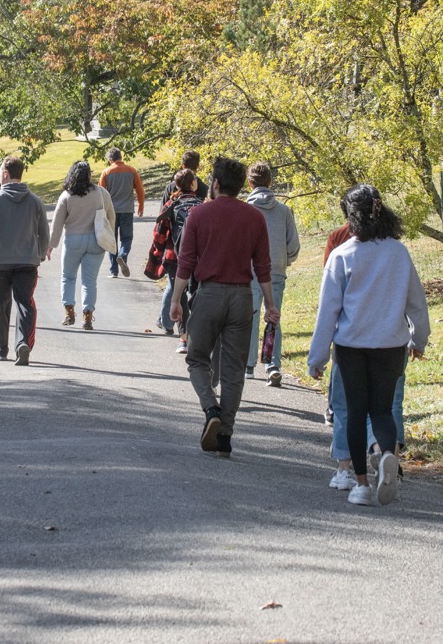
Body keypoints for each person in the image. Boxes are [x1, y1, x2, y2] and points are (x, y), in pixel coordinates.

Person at [307, 185, 429, 507]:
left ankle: (361, 485)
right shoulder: (399, 252)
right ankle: (387, 454)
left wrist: (317, 357)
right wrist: (419, 338)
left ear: (351, 217)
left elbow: (327, 312)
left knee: (357, 412)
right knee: (383, 409)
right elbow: (416, 301)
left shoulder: (342, 256)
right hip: (391, 344)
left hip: (352, 346)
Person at [169, 156, 279, 458]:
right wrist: (270, 303)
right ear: (241, 186)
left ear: (215, 184)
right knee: (233, 370)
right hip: (242, 297)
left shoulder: (199, 215)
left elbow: (186, 262)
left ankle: (211, 410)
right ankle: (226, 436)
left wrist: (176, 300)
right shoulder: (254, 217)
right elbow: (263, 266)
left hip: (209, 294)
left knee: (197, 359)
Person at [0, 157, 50, 366]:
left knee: (1, 306)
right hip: (27, 262)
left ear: (5, 173)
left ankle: (0, 349)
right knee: (25, 304)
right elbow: (43, 231)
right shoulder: (35, 201)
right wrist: (40, 253)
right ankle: (23, 343)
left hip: (0, 262)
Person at [245, 161, 300, 387]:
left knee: (250, 317)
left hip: (248, 271)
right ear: (270, 182)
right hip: (275, 269)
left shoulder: (245, 210)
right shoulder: (284, 211)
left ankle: (248, 365)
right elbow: (293, 246)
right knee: (273, 317)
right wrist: (284, 259)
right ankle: (272, 364)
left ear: (250, 184)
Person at [49, 161, 116, 331]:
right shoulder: (102, 193)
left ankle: (69, 311)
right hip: (96, 240)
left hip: (73, 239)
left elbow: (57, 223)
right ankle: (87, 315)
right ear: (89, 174)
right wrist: (111, 237)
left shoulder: (67, 196)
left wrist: (50, 245)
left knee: (68, 277)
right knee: (89, 281)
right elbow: (111, 216)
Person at [145, 169, 203, 351]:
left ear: (176, 185)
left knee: (180, 299)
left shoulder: (170, 204)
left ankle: (183, 338)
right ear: (193, 184)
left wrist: (156, 255)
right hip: (198, 258)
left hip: (174, 257)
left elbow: (159, 234)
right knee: (196, 294)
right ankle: (198, 336)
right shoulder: (201, 205)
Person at [98, 147, 144, 278]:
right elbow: (140, 190)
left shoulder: (106, 172)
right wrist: (140, 206)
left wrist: (101, 211)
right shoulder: (131, 170)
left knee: (112, 240)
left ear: (110, 159)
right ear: (120, 157)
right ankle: (123, 255)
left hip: (111, 211)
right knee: (127, 237)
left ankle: (113, 271)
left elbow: (101, 193)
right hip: (127, 210)